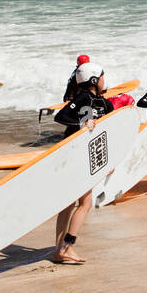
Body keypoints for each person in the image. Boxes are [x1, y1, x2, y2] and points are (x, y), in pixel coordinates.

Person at [52, 62, 114, 263]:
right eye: (103, 76)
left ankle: (60, 248)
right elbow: (61, 116)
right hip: (74, 155)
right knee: (84, 202)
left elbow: (108, 132)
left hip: (88, 157)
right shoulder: (83, 97)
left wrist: (109, 160)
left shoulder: (105, 104)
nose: (105, 79)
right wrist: (82, 124)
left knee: (71, 203)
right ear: (94, 80)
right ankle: (66, 247)